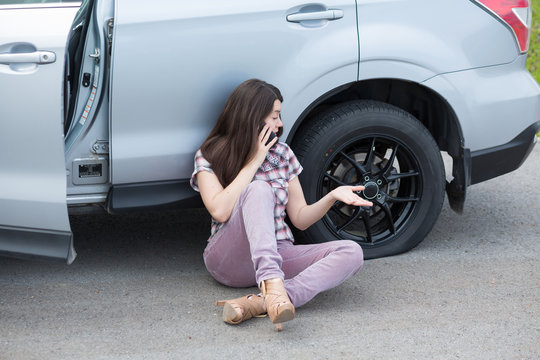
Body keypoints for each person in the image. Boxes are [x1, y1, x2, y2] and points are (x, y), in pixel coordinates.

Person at [190, 79, 373, 331]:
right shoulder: (210, 154)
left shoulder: (283, 154)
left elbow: (299, 217)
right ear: (252, 116)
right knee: (258, 189)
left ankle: (265, 301)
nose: (280, 124)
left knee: (352, 252)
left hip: (278, 254)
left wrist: (332, 196)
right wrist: (255, 161)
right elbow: (220, 211)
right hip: (229, 258)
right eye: (275, 116)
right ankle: (272, 285)